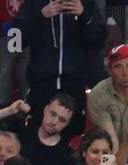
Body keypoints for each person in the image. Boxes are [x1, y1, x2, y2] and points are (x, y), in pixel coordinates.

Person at [14, 0, 106, 142]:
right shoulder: (34, 3)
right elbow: (13, 43)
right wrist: (40, 16)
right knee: (35, 138)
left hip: (75, 86)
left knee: (73, 139)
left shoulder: (86, 3)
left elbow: (99, 40)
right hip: (41, 85)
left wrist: (84, 16)